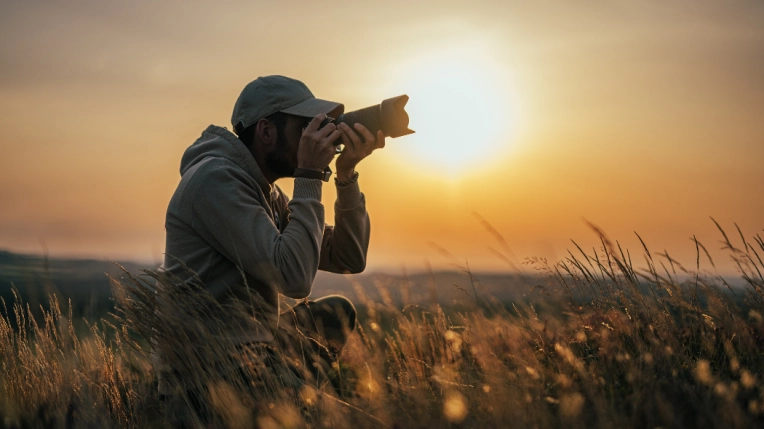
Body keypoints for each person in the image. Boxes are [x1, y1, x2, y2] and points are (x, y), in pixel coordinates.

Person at [152, 75, 384, 400]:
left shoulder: (267, 192)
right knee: (342, 399)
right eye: (305, 127)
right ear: (265, 131)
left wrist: (345, 176)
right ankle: (297, 405)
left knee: (335, 314)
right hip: (208, 375)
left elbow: (348, 257)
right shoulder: (214, 181)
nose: (314, 138)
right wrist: (310, 175)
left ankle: (300, 401)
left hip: (253, 346)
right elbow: (294, 280)